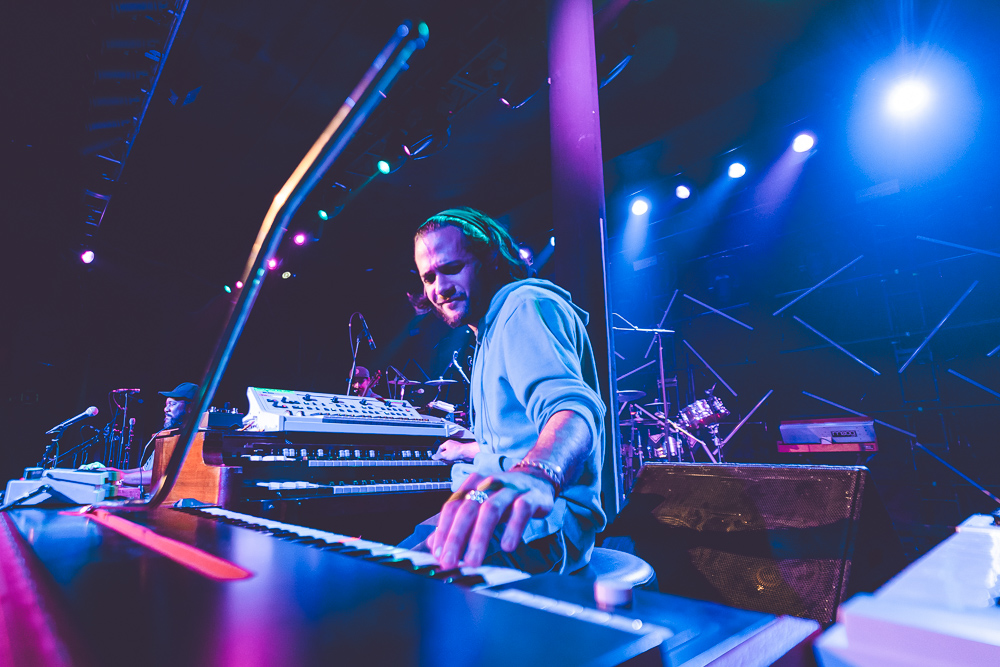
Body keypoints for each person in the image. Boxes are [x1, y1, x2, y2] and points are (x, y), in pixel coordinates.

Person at [402, 207, 606, 575]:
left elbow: (573, 410)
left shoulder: (522, 307)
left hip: (545, 524)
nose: (439, 288)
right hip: (495, 504)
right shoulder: (490, 329)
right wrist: (471, 448)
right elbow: (517, 442)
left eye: (452, 268)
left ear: (490, 259)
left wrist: (537, 474)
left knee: (389, 585)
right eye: (428, 277)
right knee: (388, 558)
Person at [117, 382, 199, 486]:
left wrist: (122, 477)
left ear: (191, 408)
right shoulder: (168, 437)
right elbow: (145, 470)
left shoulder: (193, 440)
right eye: (166, 405)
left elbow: (164, 475)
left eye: (172, 404)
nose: (166, 409)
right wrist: (114, 472)